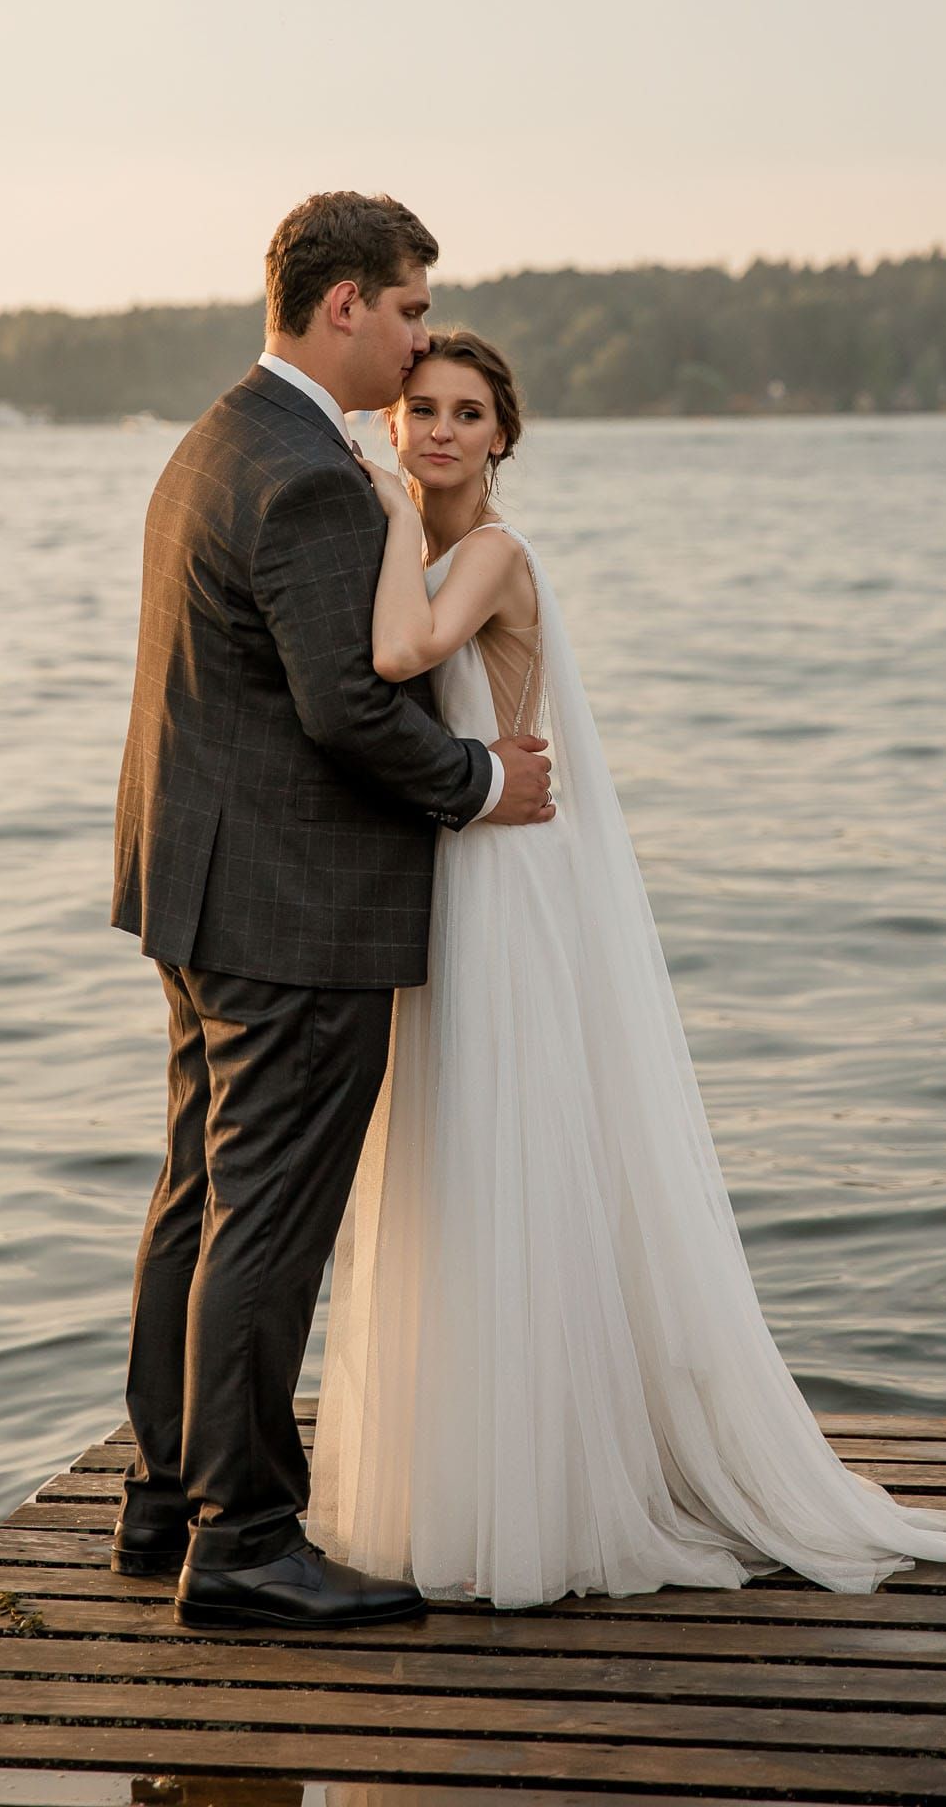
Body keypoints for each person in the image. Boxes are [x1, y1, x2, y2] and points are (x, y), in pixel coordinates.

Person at [308, 329, 946, 1605]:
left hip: (506, 884)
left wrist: (389, 511)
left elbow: (402, 655)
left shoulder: (495, 554)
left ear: (503, 436)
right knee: (448, 1165)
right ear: (395, 421)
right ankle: (464, 1476)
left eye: (466, 412)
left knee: (512, 1153)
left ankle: (548, 1492)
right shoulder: (400, 538)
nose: (441, 430)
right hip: (443, 870)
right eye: (421, 409)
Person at [110, 195, 554, 1633]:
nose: (421, 337)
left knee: (201, 1194)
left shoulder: (220, 437)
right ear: (345, 303)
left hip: (200, 887)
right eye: (411, 308)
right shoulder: (307, 476)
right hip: (292, 907)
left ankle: (167, 1498)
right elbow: (349, 708)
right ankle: (245, 1542)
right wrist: (481, 780)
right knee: (265, 1219)